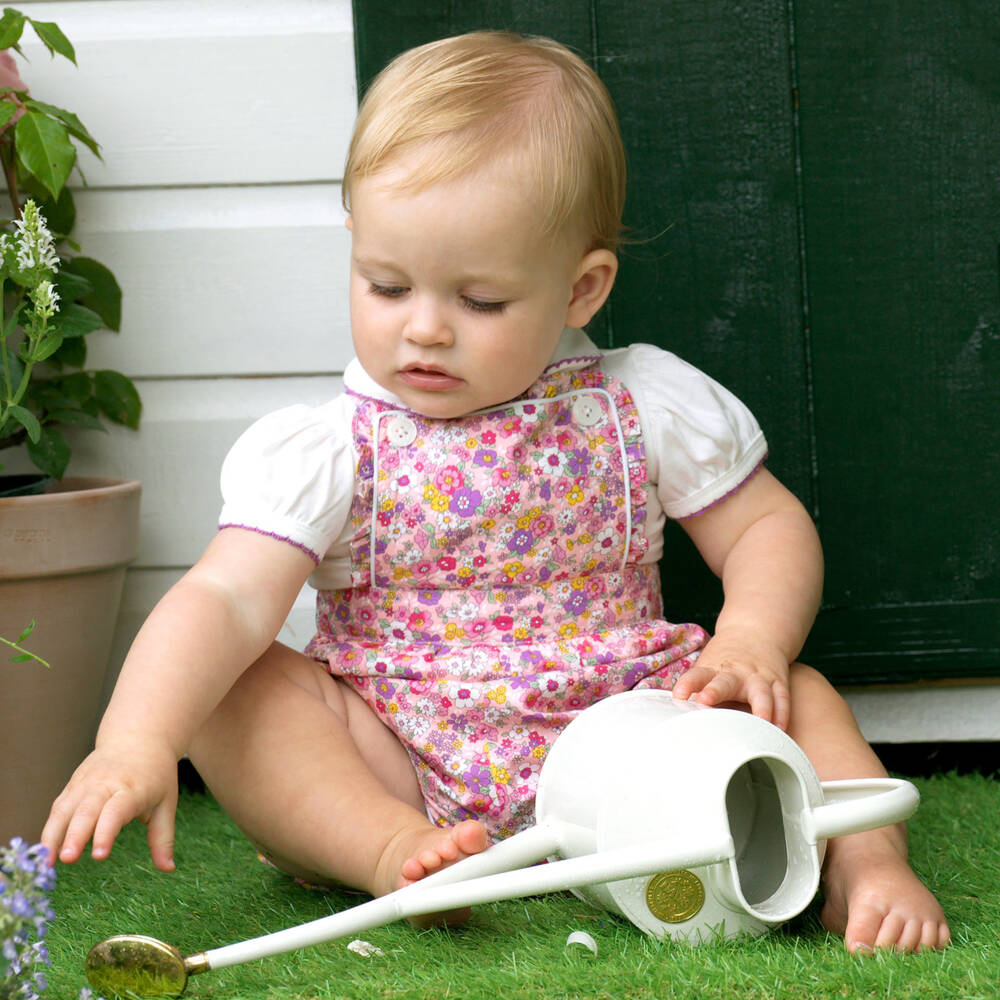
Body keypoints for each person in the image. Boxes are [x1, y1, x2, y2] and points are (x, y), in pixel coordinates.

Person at [42, 30, 949, 954]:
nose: (425, 331)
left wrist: (754, 635)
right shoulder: (333, 446)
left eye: (480, 302)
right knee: (241, 688)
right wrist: (136, 739)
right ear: (354, 247)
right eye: (386, 285)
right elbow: (226, 595)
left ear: (580, 290)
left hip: (630, 742)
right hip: (395, 755)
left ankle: (866, 866)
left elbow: (764, 528)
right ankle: (392, 853)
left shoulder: (639, 405)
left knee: (798, 690)